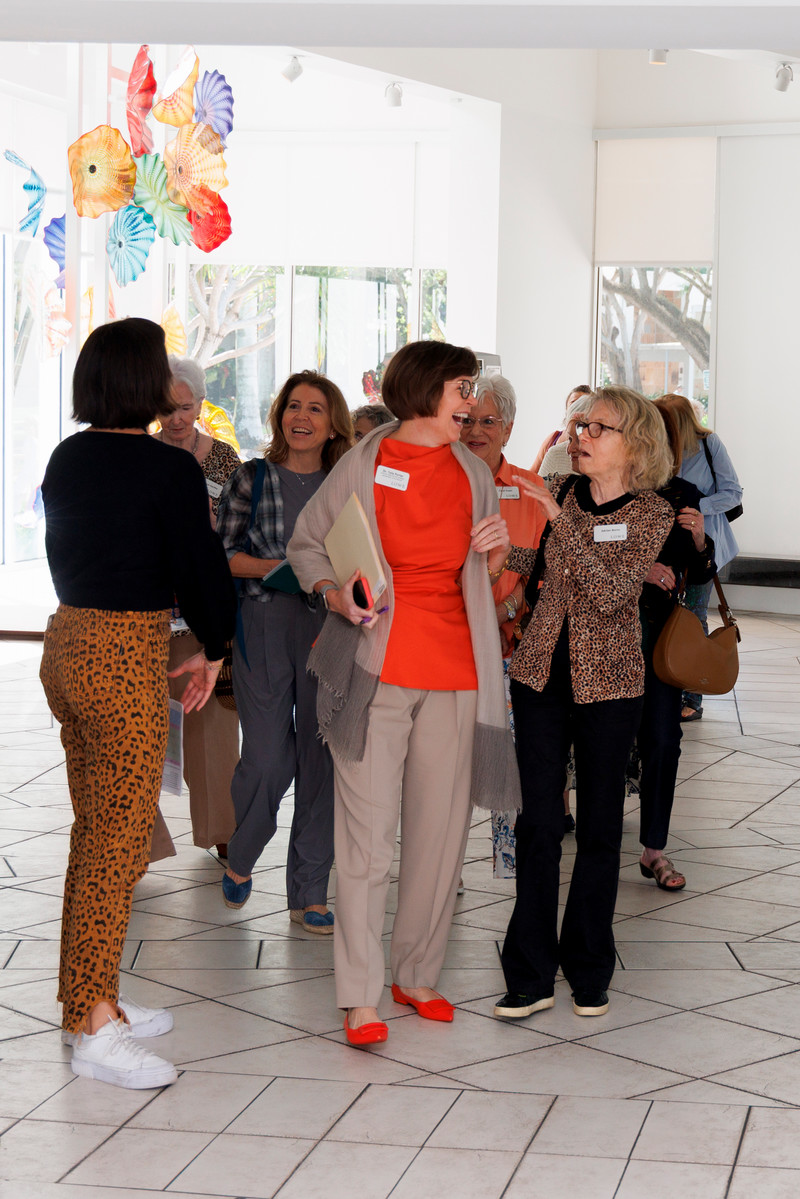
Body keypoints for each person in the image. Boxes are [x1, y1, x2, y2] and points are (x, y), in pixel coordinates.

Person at [288, 339, 520, 1046]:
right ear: (424, 391)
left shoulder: (475, 473)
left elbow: (493, 585)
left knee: (438, 838)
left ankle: (416, 973)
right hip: (374, 672)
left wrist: (500, 554)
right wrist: (333, 591)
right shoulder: (364, 463)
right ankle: (359, 995)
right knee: (366, 840)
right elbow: (307, 543)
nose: (471, 403)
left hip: (457, 675)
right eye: (461, 388)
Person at [39, 318, 237, 1089]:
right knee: (114, 846)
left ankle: (91, 1000)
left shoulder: (67, 457)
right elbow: (200, 567)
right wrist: (214, 644)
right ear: (143, 381)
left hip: (69, 644)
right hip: (123, 653)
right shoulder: (165, 468)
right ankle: (94, 1024)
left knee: (96, 830)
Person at [495, 385, 674, 1021]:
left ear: (636, 445)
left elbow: (610, 592)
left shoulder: (652, 511)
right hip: (541, 672)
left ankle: (590, 965)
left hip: (611, 684)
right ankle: (530, 971)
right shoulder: (564, 496)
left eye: (598, 428)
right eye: (580, 424)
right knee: (539, 823)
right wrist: (498, 555)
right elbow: (544, 567)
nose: (581, 436)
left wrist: (557, 517)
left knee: (599, 830)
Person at [215, 371, 352, 930]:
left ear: (332, 423)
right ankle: (243, 852)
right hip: (264, 621)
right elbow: (222, 556)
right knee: (270, 755)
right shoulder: (251, 477)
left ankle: (310, 892)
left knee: (322, 761)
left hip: (334, 627)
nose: (301, 417)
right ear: (279, 417)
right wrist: (289, 571)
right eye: (293, 406)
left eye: (315, 409)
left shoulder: (348, 484)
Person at [151, 354, 242, 862]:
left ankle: (222, 831)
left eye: (185, 408)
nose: (177, 418)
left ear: (201, 404)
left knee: (212, 732)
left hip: (203, 616)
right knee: (143, 731)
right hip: (151, 616)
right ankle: (142, 845)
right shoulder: (144, 455)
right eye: (167, 408)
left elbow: (239, 535)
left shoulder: (224, 459)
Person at [459, 374, 547, 877]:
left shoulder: (530, 492)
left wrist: (504, 611)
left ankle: (511, 869)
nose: (476, 430)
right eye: (467, 420)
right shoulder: (441, 483)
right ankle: (441, 871)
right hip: (448, 647)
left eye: (488, 421)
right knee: (444, 769)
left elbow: (544, 574)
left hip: (510, 650)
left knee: (509, 766)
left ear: (509, 429)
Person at [637, 403, 716, 892]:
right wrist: (637, 566)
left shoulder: (682, 493)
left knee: (664, 741)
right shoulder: (597, 488)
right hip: (601, 636)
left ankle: (654, 850)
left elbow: (699, 573)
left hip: (659, 639)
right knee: (601, 742)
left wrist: (701, 543)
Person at [654, 395, 743, 723]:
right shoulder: (656, 449)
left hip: (704, 546)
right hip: (665, 548)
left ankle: (693, 695)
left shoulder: (708, 444)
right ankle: (667, 684)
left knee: (692, 615)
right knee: (668, 616)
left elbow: (733, 492)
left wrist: (695, 508)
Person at [530, 384, 592, 476]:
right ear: (567, 408)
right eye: (574, 403)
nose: (579, 409)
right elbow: (533, 475)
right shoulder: (553, 444)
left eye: (583, 404)